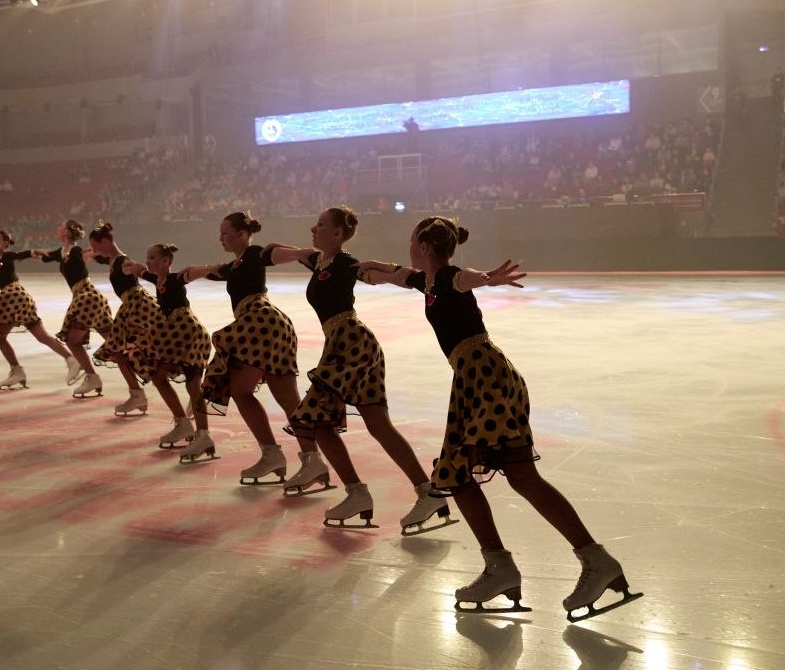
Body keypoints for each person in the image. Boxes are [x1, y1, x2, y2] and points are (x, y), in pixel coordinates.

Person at [357, 217, 641, 621]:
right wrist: (358, 268)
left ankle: (511, 566)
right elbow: (389, 272)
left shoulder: (451, 278)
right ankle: (582, 562)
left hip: (484, 378)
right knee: (508, 476)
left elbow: (466, 279)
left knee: (463, 474)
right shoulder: (428, 283)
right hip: (479, 379)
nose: (407, 248)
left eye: (410, 241)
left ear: (422, 244)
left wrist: (488, 278)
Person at [265, 206, 457, 534]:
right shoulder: (318, 260)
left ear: (337, 234)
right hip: (347, 344)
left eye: (321, 225)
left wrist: (415, 278)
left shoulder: (345, 264)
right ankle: (427, 493)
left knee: (314, 419)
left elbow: (381, 275)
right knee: (378, 425)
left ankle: (358, 493)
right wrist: (302, 251)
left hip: (351, 344)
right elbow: (269, 251)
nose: (313, 228)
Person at [180, 212, 319, 483]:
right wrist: (183, 275)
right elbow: (210, 271)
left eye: (225, 232)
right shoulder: (236, 265)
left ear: (242, 233)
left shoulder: (254, 253)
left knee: (240, 390)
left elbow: (274, 254)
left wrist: (306, 253)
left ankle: (274, 454)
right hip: (270, 327)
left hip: (259, 323)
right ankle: (311, 460)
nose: (221, 237)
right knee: (285, 397)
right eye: (220, 234)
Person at [125, 244, 213, 454]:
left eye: (153, 258)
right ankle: (186, 425)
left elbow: (191, 274)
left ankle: (202, 434)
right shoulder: (158, 279)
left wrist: (212, 267)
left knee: (191, 385)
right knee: (159, 376)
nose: (149, 261)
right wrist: (130, 267)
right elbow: (141, 271)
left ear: (166, 261)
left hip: (186, 332)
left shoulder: (175, 279)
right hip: (174, 334)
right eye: (148, 257)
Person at [0, 228, 79, 391]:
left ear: (5, 243)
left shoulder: (8, 256)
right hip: (19, 300)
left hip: (13, 297)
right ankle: (71, 360)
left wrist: (35, 251)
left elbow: (22, 254)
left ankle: (17, 370)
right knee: (42, 337)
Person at [35, 219, 115, 399]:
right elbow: (44, 256)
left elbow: (97, 256)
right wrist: (28, 253)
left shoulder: (77, 251)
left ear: (68, 232)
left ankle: (92, 376)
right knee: (115, 342)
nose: (58, 227)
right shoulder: (62, 252)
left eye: (60, 226)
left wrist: (99, 256)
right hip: (87, 299)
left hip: (87, 297)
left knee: (72, 341)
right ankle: (137, 381)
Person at [87, 223, 155, 417]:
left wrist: (160, 278)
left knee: (121, 351)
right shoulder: (113, 260)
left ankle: (137, 394)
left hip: (137, 307)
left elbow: (137, 269)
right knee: (120, 352)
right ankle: (136, 394)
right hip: (131, 307)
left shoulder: (123, 262)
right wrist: (90, 254)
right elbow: (102, 259)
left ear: (106, 241)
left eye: (95, 246)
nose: (94, 250)